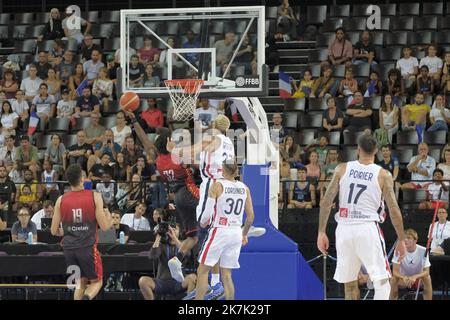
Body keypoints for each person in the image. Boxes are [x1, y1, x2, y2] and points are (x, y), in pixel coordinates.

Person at [317, 134, 407, 300]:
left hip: (343, 228)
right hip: (367, 228)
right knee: (382, 281)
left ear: (357, 150)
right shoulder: (383, 174)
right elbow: (393, 208)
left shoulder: (342, 168)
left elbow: (326, 201)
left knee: (350, 284)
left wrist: (321, 232)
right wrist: (401, 239)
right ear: (376, 151)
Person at [51, 164, 112, 300]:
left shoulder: (60, 199)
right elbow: (105, 227)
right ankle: (86, 298)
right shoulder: (94, 196)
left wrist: (68, 230)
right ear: (82, 178)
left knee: (80, 284)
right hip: (87, 248)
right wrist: (109, 218)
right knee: (97, 282)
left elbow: (54, 231)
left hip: (68, 249)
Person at [195, 162, 255, 300]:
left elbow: (207, 214)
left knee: (202, 270)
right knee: (227, 275)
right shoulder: (244, 188)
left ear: (223, 170)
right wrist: (244, 234)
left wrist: (203, 223)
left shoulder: (217, 185)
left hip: (220, 230)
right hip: (235, 232)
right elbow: (251, 217)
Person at [139, 221, 197, 300]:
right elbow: (153, 256)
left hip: (179, 283)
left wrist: (174, 238)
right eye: (170, 229)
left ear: (179, 231)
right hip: (161, 282)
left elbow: (187, 254)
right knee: (143, 281)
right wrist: (158, 236)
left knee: (192, 278)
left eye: (175, 229)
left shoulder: (183, 243)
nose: (172, 230)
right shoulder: (161, 245)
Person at [390, 229, 432, 300]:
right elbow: (395, 272)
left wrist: (415, 277)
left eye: (408, 238)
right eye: (404, 238)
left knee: (427, 278)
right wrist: (404, 277)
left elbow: (426, 271)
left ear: (415, 240)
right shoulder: (398, 250)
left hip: (418, 280)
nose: (405, 240)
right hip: (403, 280)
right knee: (393, 279)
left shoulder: (423, 250)